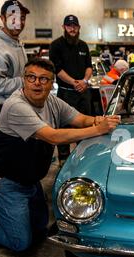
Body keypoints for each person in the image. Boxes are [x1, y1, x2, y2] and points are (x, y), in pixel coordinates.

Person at [0, 58, 120, 251]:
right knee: (20, 242)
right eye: (31, 77)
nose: (37, 83)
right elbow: (53, 137)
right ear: (24, 79)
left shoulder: (52, 101)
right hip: (5, 182)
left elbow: (80, 119)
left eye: (43, 79)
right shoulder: (16, 105)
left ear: (52, 83)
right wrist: (98, 129)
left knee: (40, 229)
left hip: (29, 180)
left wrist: (99, 120)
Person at [49, 14, 93, 166]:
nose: (72, 29)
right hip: (66, 93)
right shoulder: (56, 45)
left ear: (79, 28)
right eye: (69, 26)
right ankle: (63, 160)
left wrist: (84, 81)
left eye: (75, 26)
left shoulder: (83, 46)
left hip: (83, 93)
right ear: (64, 27)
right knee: (64, 126)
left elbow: (89, 66)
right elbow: (57, 69)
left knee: (85, 125)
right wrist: (74, 83)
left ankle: (84, 158)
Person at [0, 0, 30, 118]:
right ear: (2, 18)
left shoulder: (16, 42)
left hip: (20, 105)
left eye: (22, 18)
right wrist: (26, 81)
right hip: (7, 110)